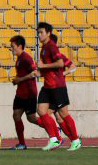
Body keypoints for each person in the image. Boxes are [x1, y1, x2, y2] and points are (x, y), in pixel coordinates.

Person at [36, 23, 81, 151]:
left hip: (57, 86)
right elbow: (47, 69)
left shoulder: (51, 46)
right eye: (38, 32)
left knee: (63, 114)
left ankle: (76, 140)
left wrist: (43, 67)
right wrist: (37, 73)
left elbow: (61, 63)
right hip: (48, 86)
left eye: (41, 32)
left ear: (48, 33)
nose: (39, 35)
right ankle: (54, 139)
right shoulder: (44, 48)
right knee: (41, 111)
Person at [9, 35, 43, 150]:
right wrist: (17, 80)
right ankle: (22, 143)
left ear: (20, 46)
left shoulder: (26, 58)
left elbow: (34, 72)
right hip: (20, 93)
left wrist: (20, 79)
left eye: (13, 46)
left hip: (29, 93)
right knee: (16, 115)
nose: (11, 49)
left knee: (31, 118)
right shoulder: (19, 58)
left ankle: (52, 128)